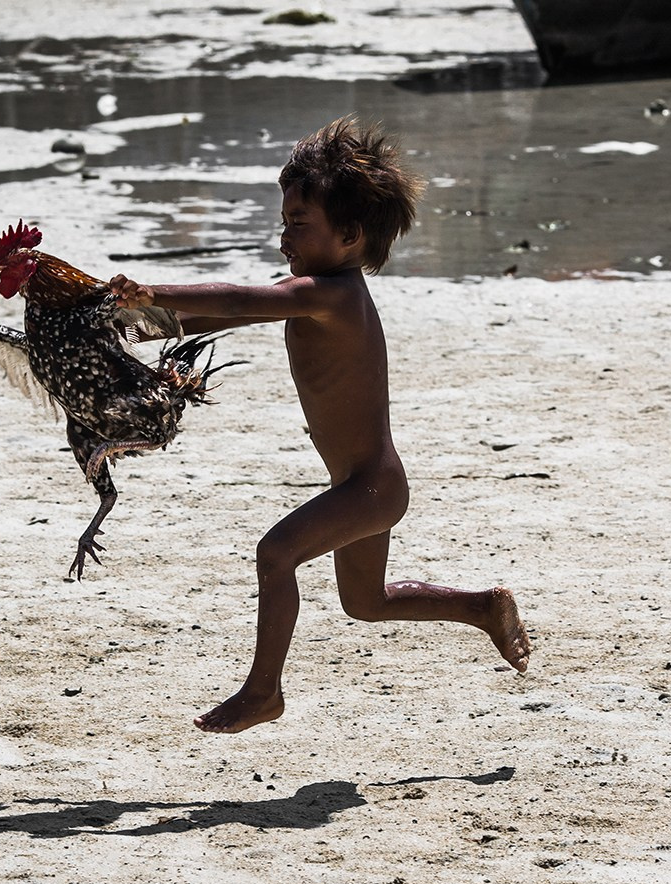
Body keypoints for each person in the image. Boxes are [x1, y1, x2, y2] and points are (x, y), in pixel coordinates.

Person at [109, 117, 531, 734]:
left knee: (276, 555)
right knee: (368, 603)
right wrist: (120, 327)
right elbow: (215, 319)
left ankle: (263, 692)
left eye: (299, 226)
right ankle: (481, 607)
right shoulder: (315, 294)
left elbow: (233, 298)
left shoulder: (332, 296)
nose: (285, 238)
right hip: (363, 484)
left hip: (371, 488)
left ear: (352, 236)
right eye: (284, 224)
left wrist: (148, 289)